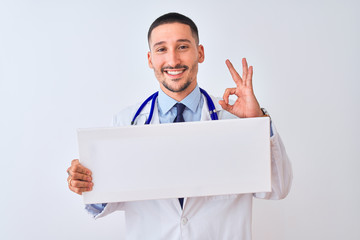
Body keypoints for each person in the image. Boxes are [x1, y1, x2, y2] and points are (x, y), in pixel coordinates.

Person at [67, 12, 292, 240]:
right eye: (161, 49)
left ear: (200, 52)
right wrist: (86, 182)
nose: (173, 60)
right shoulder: (126, 123)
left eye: (183, 47)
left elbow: (278, 187)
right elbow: (105, 201)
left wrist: (258, 122)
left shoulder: (234, 119)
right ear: (150, 58)